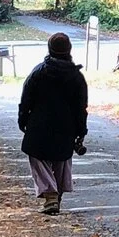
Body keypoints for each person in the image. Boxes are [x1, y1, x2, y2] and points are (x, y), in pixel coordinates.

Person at [17, 31, 88, 215]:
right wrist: (81, 131)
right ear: (69, 49)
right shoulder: (77, 77)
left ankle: (50, 195)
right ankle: (56, 195)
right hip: (66, 127)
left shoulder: (38, 72)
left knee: (37, 157)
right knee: (61, 161)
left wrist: (23, 119)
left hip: (39, 125)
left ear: (50, 49)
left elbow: (26, 99)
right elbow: (81, 107)